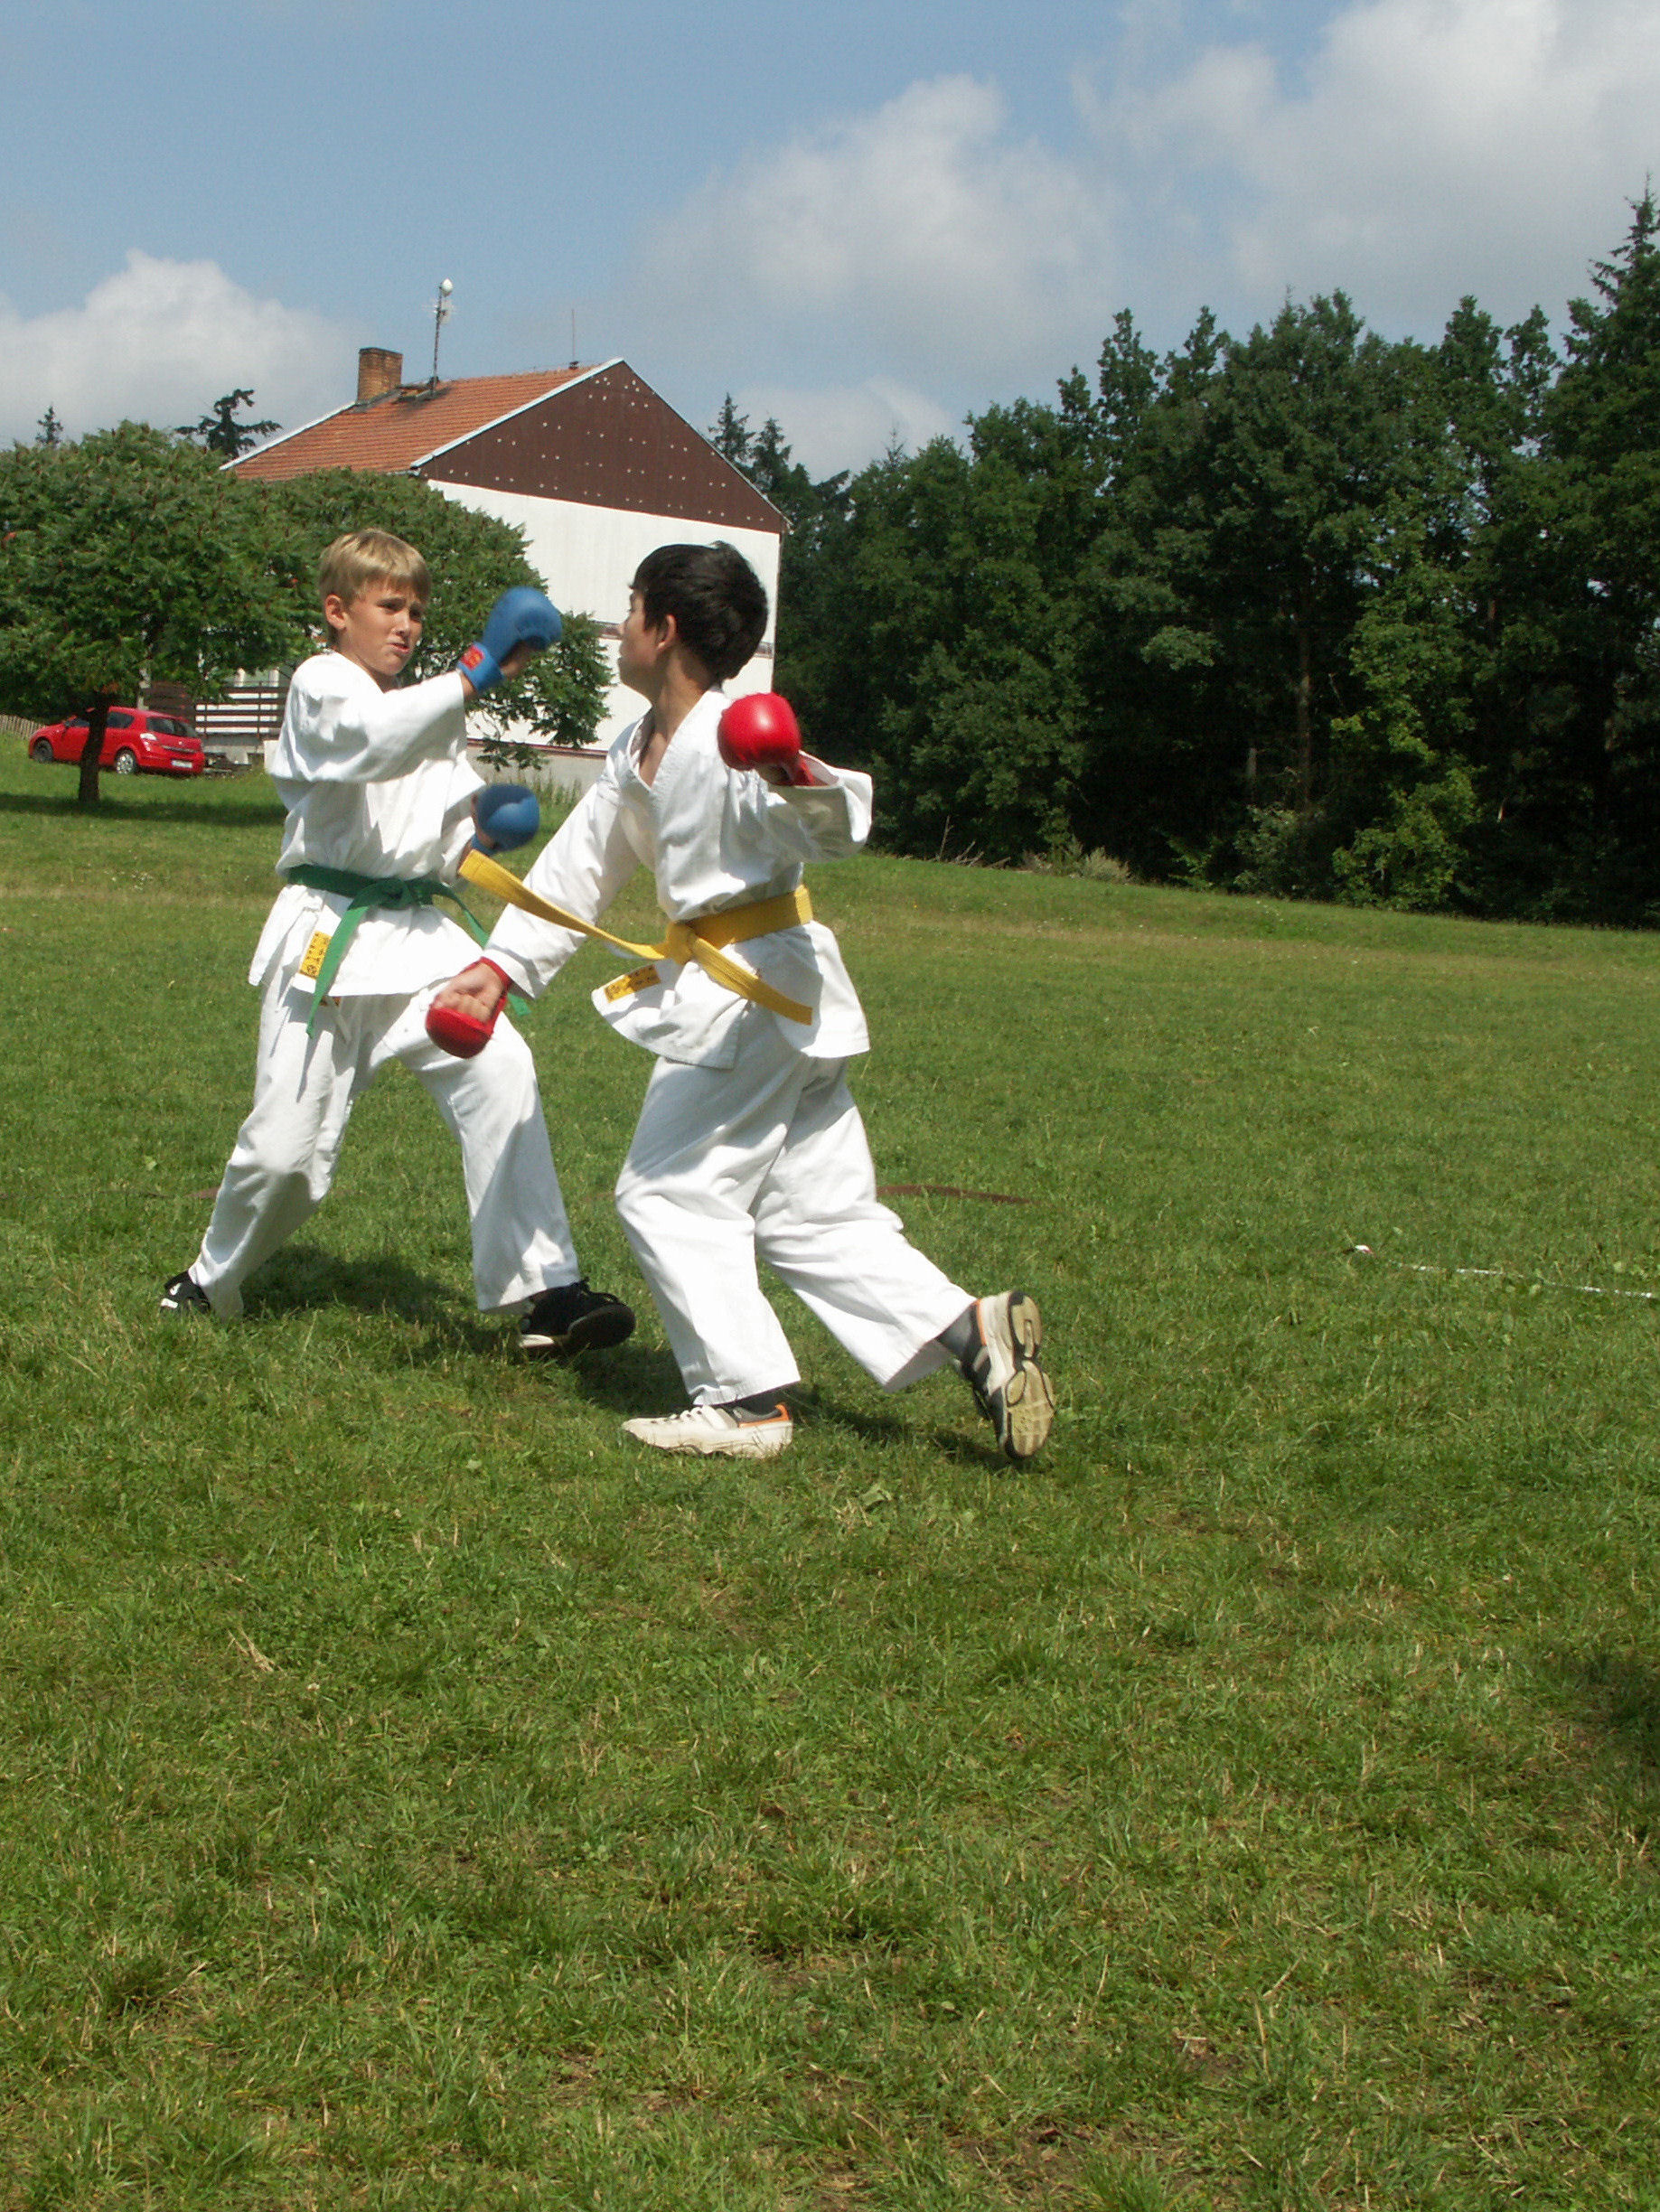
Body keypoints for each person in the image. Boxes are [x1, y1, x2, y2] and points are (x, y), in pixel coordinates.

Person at [428, 540, 1053, 1460]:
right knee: (812, 1214)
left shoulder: (735, 741)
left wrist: (789, 770)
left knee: (665, 1192)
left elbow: (826, 826)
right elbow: (581, 866)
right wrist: (502, 968)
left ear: (663, 628)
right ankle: (973, 1334)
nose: (618, 628)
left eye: (630, 608)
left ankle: (744, 1403)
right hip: (776, 998)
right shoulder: (636, 749)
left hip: (749, 995)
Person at [161, 528, 633, 1358]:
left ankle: (550, 1292)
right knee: (285, 1155)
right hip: (330, 937)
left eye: (416, 610)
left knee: (500, 1071)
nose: (407, 625)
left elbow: (436, 844)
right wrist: (475, 671)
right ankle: (209, 1279)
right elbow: (366, 742)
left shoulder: (430, 710)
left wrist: (482, 834)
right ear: (337, 611)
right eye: (390, 606)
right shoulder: (320, 685)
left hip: (418, 939)